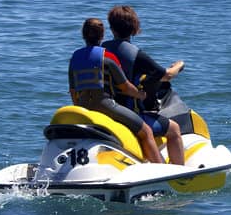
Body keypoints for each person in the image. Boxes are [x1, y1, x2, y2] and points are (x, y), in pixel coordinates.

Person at [68, 17, 166, 164]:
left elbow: (73, 91)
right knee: (146, 131)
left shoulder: (75, 58)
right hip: (105, 105)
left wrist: (81, 109)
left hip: (83, 107)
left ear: (83, 35)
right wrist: (140, 95)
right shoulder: (107, 56)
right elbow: (125, 87)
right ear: (102, 35)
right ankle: (161, 171)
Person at [103, 4, 185, 168]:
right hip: (130, 114)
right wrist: (179, 66)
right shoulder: (135, 54)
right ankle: (181, 177)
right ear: (134, 28)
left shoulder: (101, 49)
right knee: (174, 130)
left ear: (111, 28)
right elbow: (166, 75)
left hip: (106, 110)